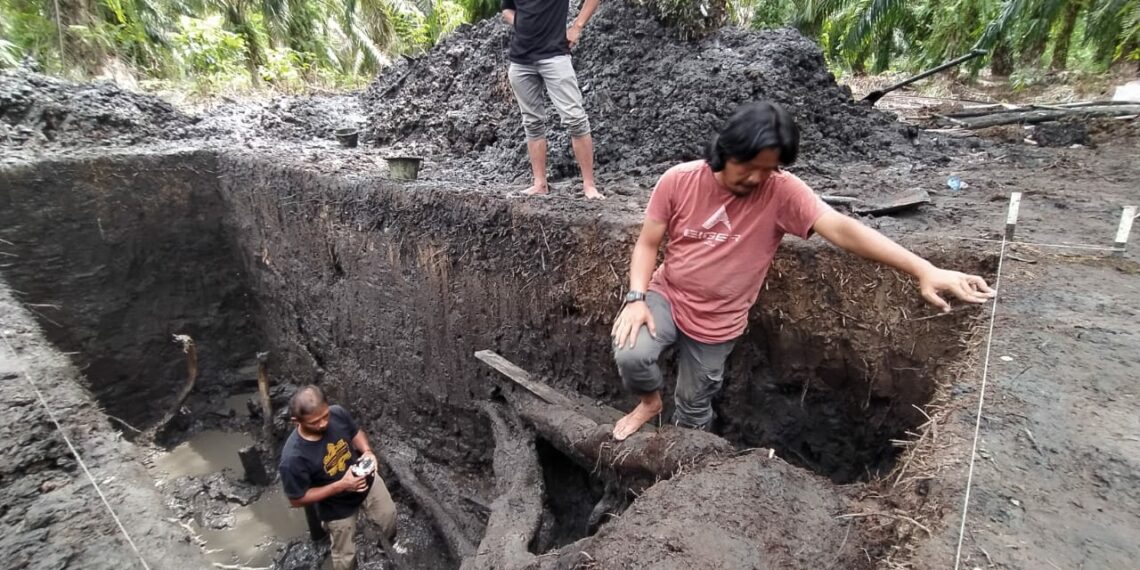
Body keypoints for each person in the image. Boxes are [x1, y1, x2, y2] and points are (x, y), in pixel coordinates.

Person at [610, 101, 996, 441]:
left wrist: (922, 268)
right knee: (632, 354)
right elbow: (648, 243)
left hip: (718, 323)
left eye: (770, 169)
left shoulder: (782, 191)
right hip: (668, 296)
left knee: (694, 408)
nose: (758, 178)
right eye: (749, 166)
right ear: (724, 150)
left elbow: (842, 229)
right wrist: (637, 298)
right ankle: (650, 402)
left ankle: (687, 458)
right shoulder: (678, 182)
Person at [279, 385, 397, 570]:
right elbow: (296, 499)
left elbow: (355, 433)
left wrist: (366, 451)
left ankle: (386, 549)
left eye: (325, 416)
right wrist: (341, 485)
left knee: (388, 517)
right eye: (315, 422)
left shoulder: (337, 413)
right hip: (336, 507)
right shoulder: (293, 458)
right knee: (345, 557)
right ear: (296, 421)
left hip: (367, 480)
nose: (323, 424)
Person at [501, 0, 604, 200]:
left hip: (555, 56)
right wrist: (522, 25)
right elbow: (507, 8)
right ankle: (540, 183)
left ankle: (589, 185)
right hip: (521, 60)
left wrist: (577, 27)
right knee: (531, 122)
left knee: (575, 119)